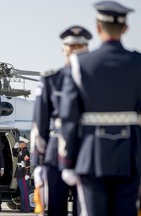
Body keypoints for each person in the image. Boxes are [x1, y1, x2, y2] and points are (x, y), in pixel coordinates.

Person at [59, 1, 141, 216]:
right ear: (125, 29)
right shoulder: (137, 63)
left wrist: (67, 161)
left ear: (97, 27)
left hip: (91, 156)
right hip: (130, 155)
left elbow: (68, 117)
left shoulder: (78, 65)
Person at [31, 25, 92, 216]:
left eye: (79, 46)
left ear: (87, 48)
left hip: (86, 150)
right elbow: (39, 123)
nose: (75, 50)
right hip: (55, 154)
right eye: (71, 46)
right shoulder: (52, 79)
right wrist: (37, 163)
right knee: (55, 208)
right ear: (63, 49)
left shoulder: (94, 78)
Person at [12, 136, 31, 213]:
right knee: (22, 192)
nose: (19, 144)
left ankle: (26, 209)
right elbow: (14, 154)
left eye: (20, 143)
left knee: (24, 192)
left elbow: (27, 163)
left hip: (23, 173)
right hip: (20, 173)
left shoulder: (25, 151)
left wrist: (27, 173)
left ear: (24, 144)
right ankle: (23, 208)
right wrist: (14, 148)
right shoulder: (21, 151)